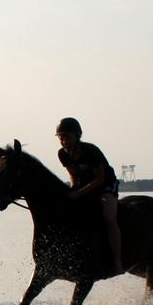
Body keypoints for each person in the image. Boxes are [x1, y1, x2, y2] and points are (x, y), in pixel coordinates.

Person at [55, 117, 123, 275]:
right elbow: (72, 174)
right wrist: (73, 190)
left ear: (77, 136)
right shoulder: (62, 154)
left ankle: (118, 261)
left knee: (108, 218)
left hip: (106, 185)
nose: (64, 141)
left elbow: (100, 178)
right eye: (61, 138)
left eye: (67, 137)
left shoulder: (90, 150)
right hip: (85, 186)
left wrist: (78, 193)